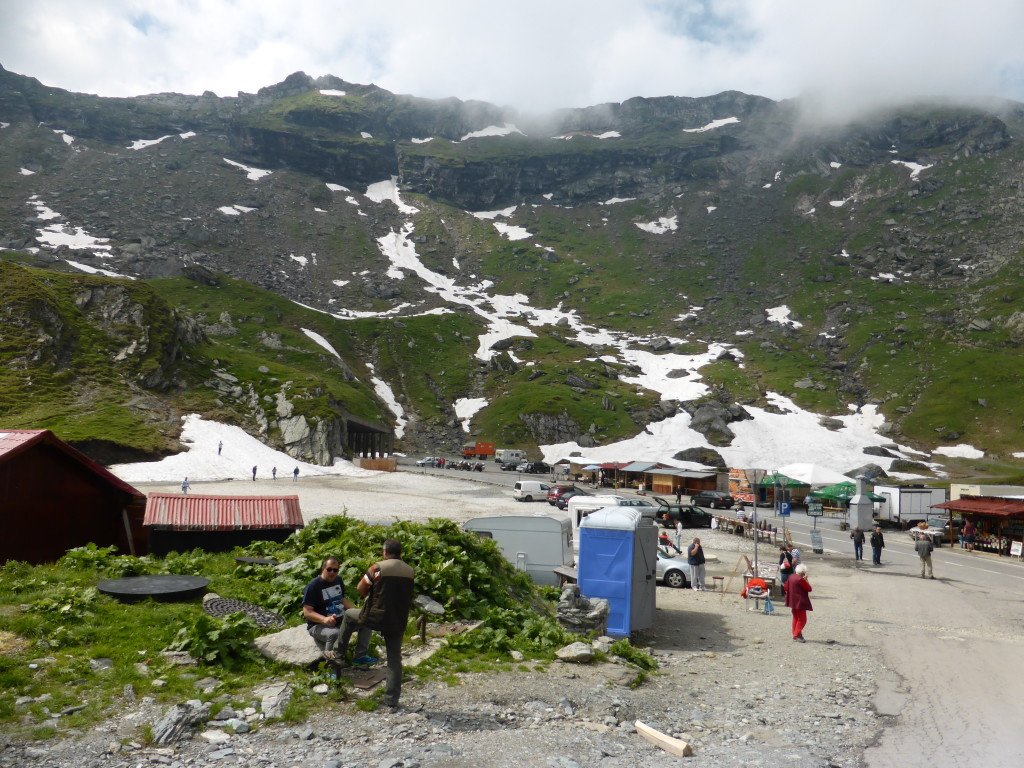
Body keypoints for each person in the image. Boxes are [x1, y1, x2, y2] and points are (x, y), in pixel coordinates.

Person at [338, 539, 415, 709]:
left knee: (350, 615)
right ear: (400, 552)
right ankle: (391, 700)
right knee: (394, 659)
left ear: (385, 552)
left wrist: (368, 594)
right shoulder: (410, 571)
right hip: (397, 619)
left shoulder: (378, 568)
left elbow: (360, 587)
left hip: (375, 616)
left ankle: (338, 654)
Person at [302, 557, 368, 664]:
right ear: (323, 569)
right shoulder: (313, 586)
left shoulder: (338, 580)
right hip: (318, 625)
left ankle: (360, 656)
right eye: (329, 569)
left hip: (340, 621)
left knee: (365, 622)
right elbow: (307, 612)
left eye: (335, 570)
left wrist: (356, 612)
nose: (332, 572)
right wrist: (324, 619)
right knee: (335, 633)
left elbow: (341, 599)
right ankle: (330, 664)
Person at [783, 563, 813, 641]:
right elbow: (809, 589)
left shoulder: (791, 577)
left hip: (792, 601)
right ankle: (796, 634)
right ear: (803, 573)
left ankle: (796, 633)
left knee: (796, 617)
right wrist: (806, 579)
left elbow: (785, 587)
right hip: (799, 602)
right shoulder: (800, 579)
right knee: (802, 619)